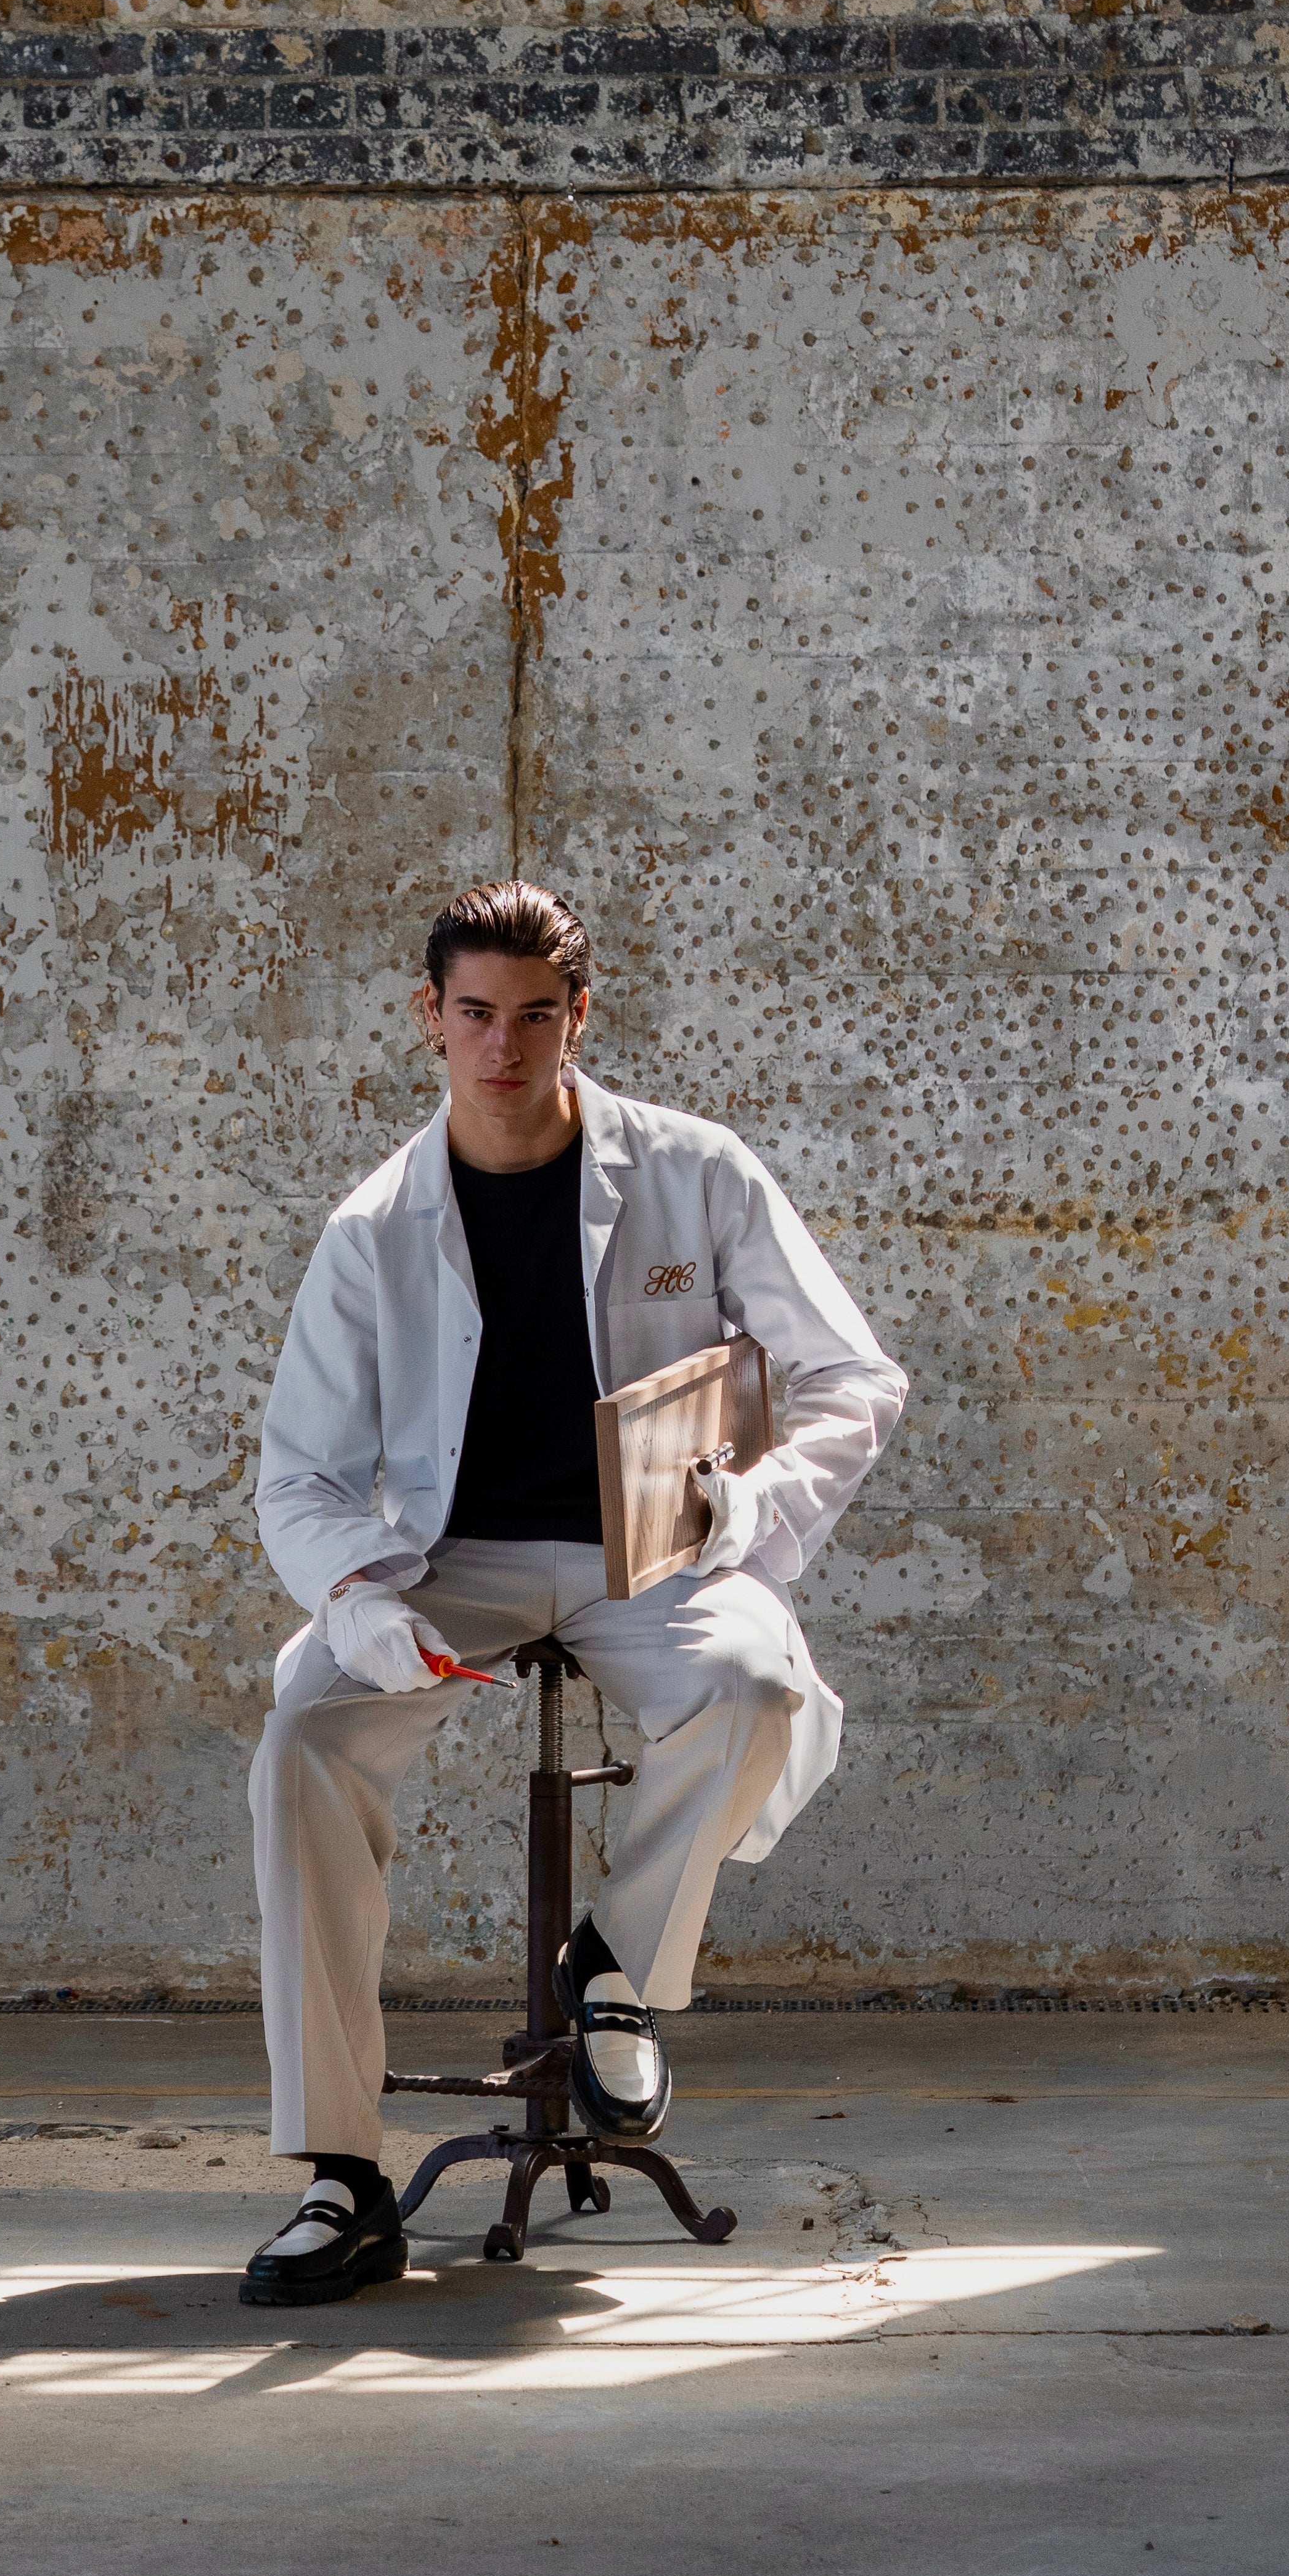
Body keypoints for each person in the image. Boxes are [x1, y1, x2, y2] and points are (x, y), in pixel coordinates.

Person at [241, 881, 907, 2304]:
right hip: (449, 1562)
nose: (504, 1046)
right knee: (302, 1732)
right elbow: (296, 1479)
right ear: (431, 1018)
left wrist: (759, 1501)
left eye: (536, 1016)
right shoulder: (373, 1228)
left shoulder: (698, 1170)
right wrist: (359, 1608)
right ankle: (343, 2182)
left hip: (651, 1555)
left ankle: (608, 1967)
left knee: (759, 1686)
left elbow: (855, 1377)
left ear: (578, 1017)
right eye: (475, 1014)